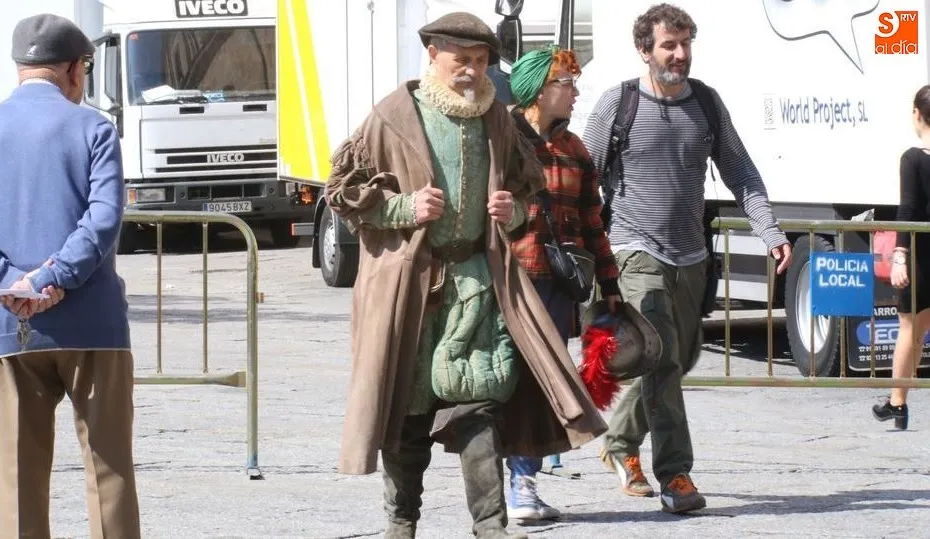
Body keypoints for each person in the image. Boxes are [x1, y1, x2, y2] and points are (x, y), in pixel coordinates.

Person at [324, 12, 607, 539]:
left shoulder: (497, 119)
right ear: (432, 55)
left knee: (479, 405)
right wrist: (403, 208)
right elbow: (342, 192)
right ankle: (400, 524)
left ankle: (490, 527)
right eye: (462, 60)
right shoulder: (391, 115)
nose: (472, 71)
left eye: (480, 62)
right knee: (408, 416)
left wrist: (512, 211)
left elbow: (527, 191)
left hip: (477, 281)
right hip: (409, 289)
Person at [582, 3, 792, 513]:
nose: (680, 55)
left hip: (691, 257)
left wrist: (769, 229)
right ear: (644, 51)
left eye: (685, 44)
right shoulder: (619, 103)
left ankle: (619, 444)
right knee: (662, 359)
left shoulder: (707, 104)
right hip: (635, 250)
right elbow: (585, 178)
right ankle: (676, 475)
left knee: (673, 361)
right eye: (669, 46)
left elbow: (741, 172)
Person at [0, 14, 140, 538]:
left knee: (20, 475)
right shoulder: (94, 127)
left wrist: (13, 283)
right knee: (108, 469)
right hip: (92, 324)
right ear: (74, 69)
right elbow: (103, 218)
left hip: (11, 321)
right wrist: (55, 277)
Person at [504, 46, 620, 523]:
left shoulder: (575, 149)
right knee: (501, 384)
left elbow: (594, 222)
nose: (574, 93)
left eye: (573, 84)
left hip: (556, 287)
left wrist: (610, 283)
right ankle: (498, 482)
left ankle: (521, 482)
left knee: (544, 386)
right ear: (537, 90)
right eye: (565, 84)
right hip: (505, 283)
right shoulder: (501, 141)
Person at [872, 84, 930, 431]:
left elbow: (908, 208)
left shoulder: (913, 158)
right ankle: (899, 401)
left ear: (916, 114)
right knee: (920, 329)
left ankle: (897, 401)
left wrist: (899, 255)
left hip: (922, 253)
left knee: (910, 327)